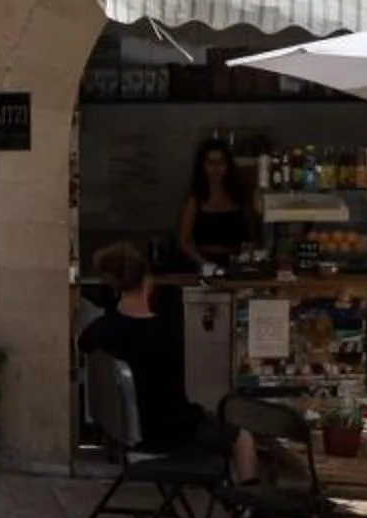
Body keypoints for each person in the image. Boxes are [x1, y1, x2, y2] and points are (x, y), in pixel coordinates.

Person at [78, 242, 196, 450]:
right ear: (147, 282)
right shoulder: (166, 333)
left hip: (129, 430)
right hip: (170, 431)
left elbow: (83, 345)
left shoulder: (98, 332)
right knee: (240, 437)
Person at [176, 139, 262, 272]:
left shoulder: (239, 196)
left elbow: (251, 234)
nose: (216, 168)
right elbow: (183, 240)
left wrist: (248, 253)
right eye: (210, 163)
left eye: (221, 162)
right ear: (202, 166)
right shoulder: (196, 198)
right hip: (203, 262)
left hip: (235, 263)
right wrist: (202, 262)